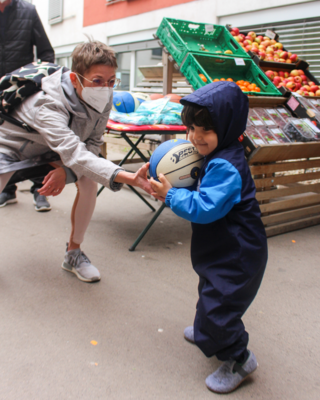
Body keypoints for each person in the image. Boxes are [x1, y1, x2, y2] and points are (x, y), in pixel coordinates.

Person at [0, 40, 153, 283]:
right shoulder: (47, 105)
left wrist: (65, 170)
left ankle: (73, 253)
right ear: (75, 79)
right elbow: (76, 153)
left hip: (57, 146)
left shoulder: (104, 96)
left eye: (111, 81)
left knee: (88, 181)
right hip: (12, 145)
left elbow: (91, 143)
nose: (105, 88)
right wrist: (130, 178)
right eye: (98, 81)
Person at [150, 81, 268, 394]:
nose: (195, 137)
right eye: (190, 128)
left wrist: (172, 195)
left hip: (238, 252)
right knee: (211, 290)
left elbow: (205, 208)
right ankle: (207, 329)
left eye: (205, 130)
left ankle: (239, 358)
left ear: (227, 126)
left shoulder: (227, 166)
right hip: (221, 246)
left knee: (221, 305)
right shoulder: (221, 151)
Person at [0, 0, 55, 211]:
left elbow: (46, 52)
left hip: (23, 90)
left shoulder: (28, 10)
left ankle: (40, 190)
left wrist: (40, 84)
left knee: (35, 138)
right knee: (4, 142)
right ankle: (8, 190)